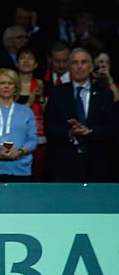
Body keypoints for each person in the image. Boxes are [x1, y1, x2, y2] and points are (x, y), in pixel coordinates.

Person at [44, 48, 115, 182]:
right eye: (75, 63)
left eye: (83, 62)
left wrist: (90, 132)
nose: (79, 66)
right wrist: (70, 132)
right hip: (64, 163)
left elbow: (111, 127)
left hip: (97, 163)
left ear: (90, 67)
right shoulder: (57, 93)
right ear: (69, 67)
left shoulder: (104, 94)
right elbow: (50, 127)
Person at [15, 48, 47, 179]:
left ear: (36, 64)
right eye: (23, 58)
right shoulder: (10, 85)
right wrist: (29, 101)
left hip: (39, 137)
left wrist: (41, 100)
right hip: (17, 137)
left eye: (30, 58)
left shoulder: (41, 85)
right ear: (16, 63)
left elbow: (48, 113)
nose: (26, 61)